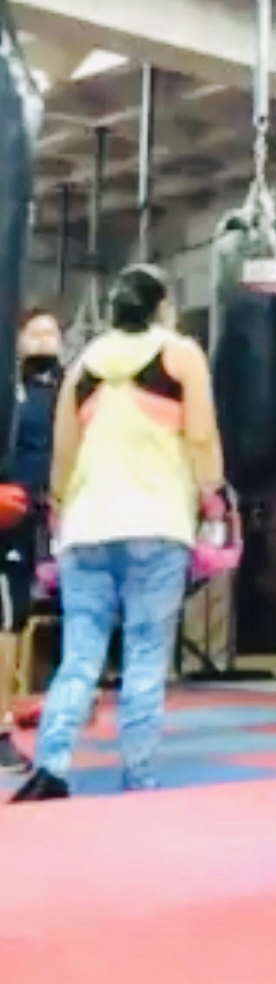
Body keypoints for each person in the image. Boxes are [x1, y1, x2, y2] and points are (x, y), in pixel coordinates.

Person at [10, 265, 225, 803]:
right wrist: (212, 497)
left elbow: (63, 456)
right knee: (145, 652)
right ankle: (139, 776)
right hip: (156, 523)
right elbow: (201, 436)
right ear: (162, 306)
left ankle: (51, 765)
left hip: (87, 529)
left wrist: (59, 513)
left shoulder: (83, 365)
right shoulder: (180, 355)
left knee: (80, 654)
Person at [0, 310, 63, 772]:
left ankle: (16, 704)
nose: (43, 339)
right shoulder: (12, 393)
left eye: (51, 332)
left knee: (17, 615)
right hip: (10, 508)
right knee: (6, 616)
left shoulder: (67, 389)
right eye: (34, 331)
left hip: (39, 512)